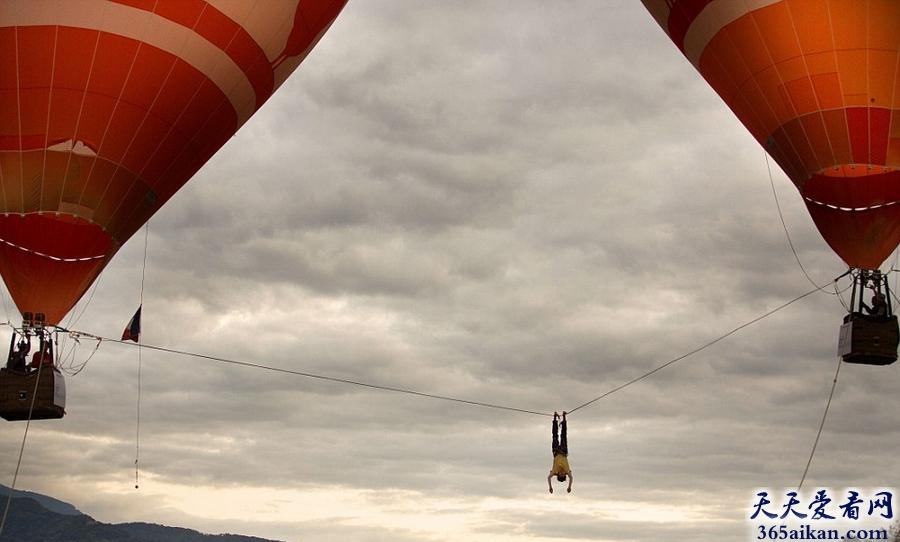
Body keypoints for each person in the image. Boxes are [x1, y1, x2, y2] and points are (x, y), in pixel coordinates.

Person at [548, 411, 573, 494]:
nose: (562, 473)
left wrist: (550, 487)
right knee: (563, 435)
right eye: (563, 474)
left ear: (558, 474)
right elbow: (571, 478)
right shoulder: (567, 471)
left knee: (555, 436)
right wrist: (569, 487)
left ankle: (555, 417)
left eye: (560, 474)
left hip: (555, 451)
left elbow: (548, 478)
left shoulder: (554, 472)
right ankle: (564, 418)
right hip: (563, 451)